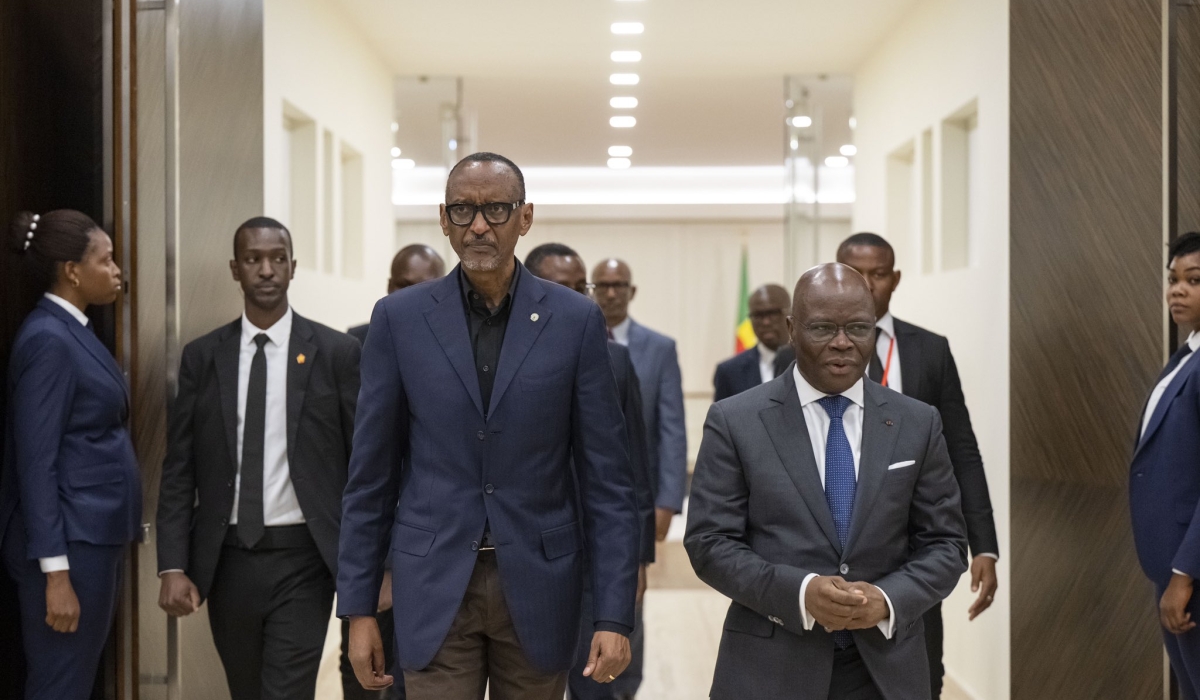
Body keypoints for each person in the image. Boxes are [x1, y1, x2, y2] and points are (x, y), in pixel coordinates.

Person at [339, 153, 639, 700]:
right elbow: (371, 477)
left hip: (540, 585)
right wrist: (358, 608)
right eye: (463, 210)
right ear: (443, 218)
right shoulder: (398, 320)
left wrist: (615, 615)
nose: (478, 225)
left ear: (525, 218)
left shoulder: (575, 322)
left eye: (496, 209)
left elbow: (609, 485)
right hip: (433, 583)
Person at [685, 263, 968, 699]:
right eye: (822, 328)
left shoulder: (917, 422)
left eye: (858, 327)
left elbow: (946, 544)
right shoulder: (735, 420)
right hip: (769, 669)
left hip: (885, 671)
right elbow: (710, 542)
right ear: (792, 329)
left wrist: (888, 599)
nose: (842, 343)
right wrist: (799, 593)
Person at [156, 217, 361, 700]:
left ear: (293, 267)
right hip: (227, 561)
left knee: (287, 692)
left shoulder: (337, 353)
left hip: (305, 559)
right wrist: (172, 565)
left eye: (277, 259)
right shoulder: (203, 357)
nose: (266, 269)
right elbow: (179, 467)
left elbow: (363, 468)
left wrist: (377, 562)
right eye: (253, 259)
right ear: (235, 268)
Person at [835, 232, 999, 698]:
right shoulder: (805, 355)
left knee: (921, 677)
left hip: (918, 545)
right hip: (834, 541)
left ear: (896, 278)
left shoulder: (930, 350)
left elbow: (961, 450)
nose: (867, 285)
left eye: (879, 274)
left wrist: (982, 544)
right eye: (855, 274)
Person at [0, 210, 141, 699]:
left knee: (74, 680)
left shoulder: (72, 329)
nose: (117, 269)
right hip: (68, 548)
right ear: (72, 271)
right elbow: (35, 464)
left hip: (91, 538)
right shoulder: (48, 339)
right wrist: (55, 574)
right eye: (105, 260)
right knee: (61, 683)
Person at [523, 242, 656, 700]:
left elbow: (632, 471)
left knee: (594, 684)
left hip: (593, 555)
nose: (581, 301)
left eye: (584, 289)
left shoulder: (614, 361)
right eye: (564, 289)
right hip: (522, 554)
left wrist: (637, 558)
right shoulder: (501, 361)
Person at [342, 243, 444, 700]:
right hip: (373, 542)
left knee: (414, 675)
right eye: (405, 286)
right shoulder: (356, 345)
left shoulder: (464, 346)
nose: (416, 297)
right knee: (361, 675)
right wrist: (376, 568)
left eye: (428, 286)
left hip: (436, 548)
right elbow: (364, 464)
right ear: (389, 289)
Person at [591, 257, 686, 698]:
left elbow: (671, 427)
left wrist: (666, 501)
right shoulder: (573, 340)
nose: (611, 292)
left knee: (629, 604)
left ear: (633, 291)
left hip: (634, 502)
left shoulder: (658, 348)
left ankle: (624, 688)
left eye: (620, 284)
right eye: (603, 284)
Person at [1130, 231, 1200, 699]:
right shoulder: (1185, 356)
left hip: (1190, 573)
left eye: (1193, 280)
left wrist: (1182, 575)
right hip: (1172, 565)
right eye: (1173, 279)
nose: (1176, 289)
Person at [348, 244, 446, 346]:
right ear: (390, 286)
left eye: (423, 287)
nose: (412, 296)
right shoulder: (358, 340)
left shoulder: (458, 339)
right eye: (404, 286)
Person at [713, 284, 795, 401]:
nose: (765, 322)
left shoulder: (809, 363)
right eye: (758, 315)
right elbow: (720, 417)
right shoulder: (729, 371)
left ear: (791, 314)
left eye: (773, 313)